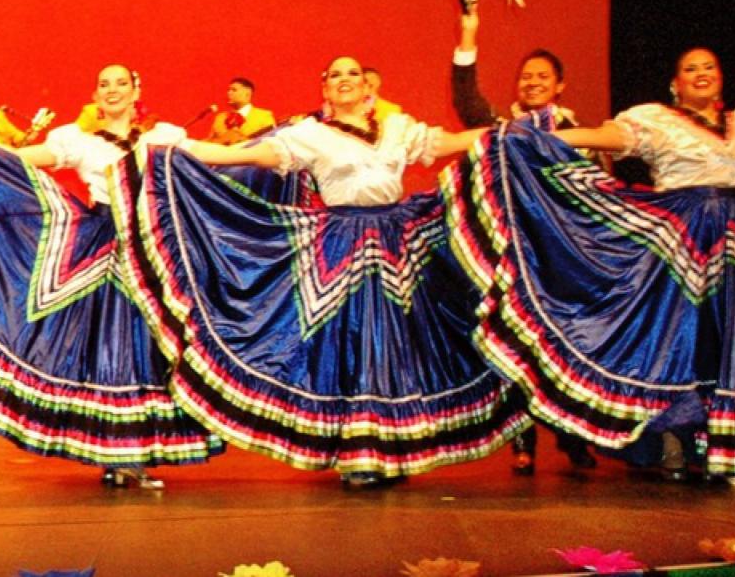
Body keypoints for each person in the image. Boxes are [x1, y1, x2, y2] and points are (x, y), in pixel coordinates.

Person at [455, 48, 735, 486]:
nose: (700, 74)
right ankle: (674, 439)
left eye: (708, 68)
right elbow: (604, 136)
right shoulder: (655, 119)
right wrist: (538, 139)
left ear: (720, 78)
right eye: (689, 69)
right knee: (682, 343)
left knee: (734, 339)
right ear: (674, 84)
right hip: (682, 243)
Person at [143, 56, 519, 489]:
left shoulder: (397, 128)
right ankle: (357, 455)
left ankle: (390, 448)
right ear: (325, 89)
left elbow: (449, 143)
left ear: (367, 87)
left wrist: (506, 133)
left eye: (352, 74)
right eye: (334, 75)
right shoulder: (310, 134)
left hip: (398, 240)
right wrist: (176, 146)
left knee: (396, 343)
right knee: (353, 343)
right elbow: (238, 155)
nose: (343, 80)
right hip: (341, 244)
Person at [0, 65, 223, 489]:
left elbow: (210, 156)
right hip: (104, 248)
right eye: (103, 84)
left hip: (151, 248)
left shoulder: (161, 137)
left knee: (148, 350)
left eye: (120, 83)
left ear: (136, 89)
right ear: (95, 93)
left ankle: (133, 450)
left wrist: (274, 151)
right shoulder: (78, 140)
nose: (111, 90)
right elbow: (15, 160)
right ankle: (120, 455)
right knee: (114, 350)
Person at [447, 12, 604, 475]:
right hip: (514, 257)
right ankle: (524, 441)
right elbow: (466, 97)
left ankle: (574, 438)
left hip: (564, 261)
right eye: (526, 76)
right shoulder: (502, 130)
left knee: (570, 347)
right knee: (517, 346)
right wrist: (470, 35)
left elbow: (599, 196)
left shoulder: (578, 134)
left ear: (560, 86)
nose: (532, 82)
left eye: (542, 76)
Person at [200, 78, 280, 145]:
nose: (229, 93)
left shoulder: (263, 116)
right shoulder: (220, 118)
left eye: (234, 90)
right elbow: (209, 143)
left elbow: (270, 142)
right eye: (228, 90)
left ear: (247, 93)